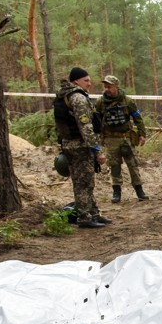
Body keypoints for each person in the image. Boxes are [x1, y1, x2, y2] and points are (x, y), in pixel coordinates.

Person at [53, 67, 110, 229]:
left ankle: (93, 213)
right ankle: (85, 217)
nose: (90, 84)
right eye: (86, 80)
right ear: (76, 81)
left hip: (70, 144)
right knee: (83, 182)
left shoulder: (64, 96)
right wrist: (96, 149)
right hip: (80, 145)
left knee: (86, 180)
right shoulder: (77, 98)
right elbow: (86, 126)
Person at [95, 75, 148, 203]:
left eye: (110, 86)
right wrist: (99, 139)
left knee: (133, 165)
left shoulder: (127, 101)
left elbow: (137, 118)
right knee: (114, 166)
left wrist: (142, 134)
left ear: (116, 86)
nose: (107, 89)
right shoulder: (100, 102)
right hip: (110, 138)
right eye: (105, 86)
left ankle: (139, 190)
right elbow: (96, 122)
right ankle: (116, 192)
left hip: (126, 138)